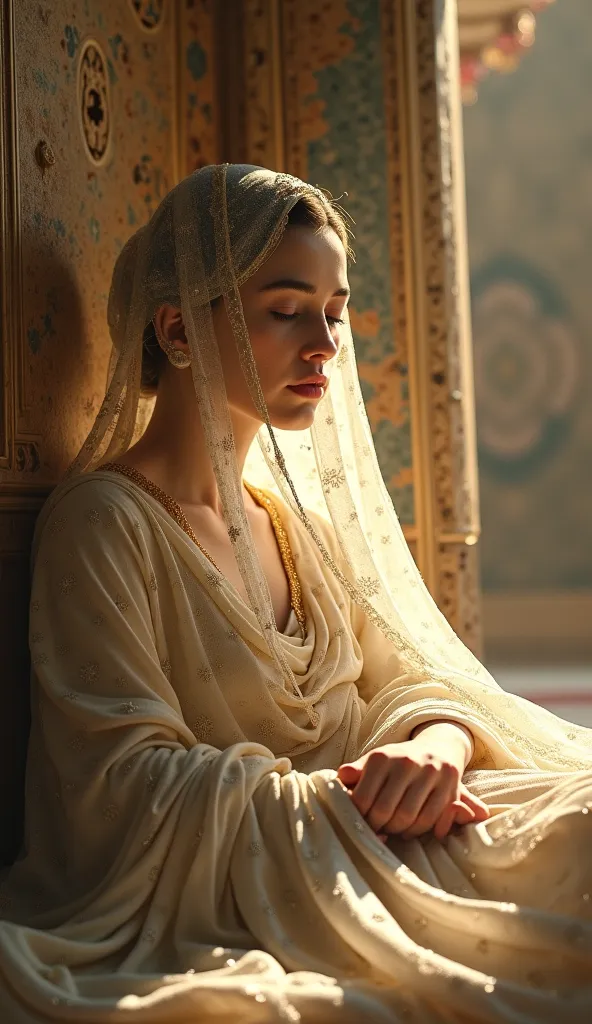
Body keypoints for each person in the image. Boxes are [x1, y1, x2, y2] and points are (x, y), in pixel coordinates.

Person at [0, 164, 590, 1023]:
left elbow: (408, 680)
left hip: (394, 830)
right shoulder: (104, 524)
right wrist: (347, 803)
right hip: (307, 868)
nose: (324, 344)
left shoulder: (286, 523)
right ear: (176, 329)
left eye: (335, 313)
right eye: (286, 311)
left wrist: (437, 749)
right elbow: (118, 790)